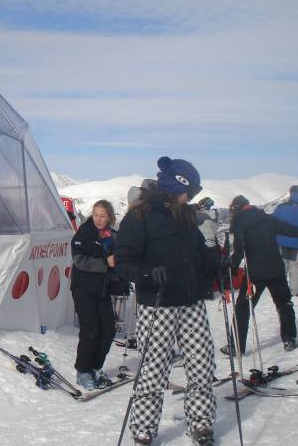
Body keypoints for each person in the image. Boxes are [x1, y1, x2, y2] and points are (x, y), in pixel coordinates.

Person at [115, 157, 223, 446]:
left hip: (192, 303)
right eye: (189, 191)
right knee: (153, 369)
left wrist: (216, 263)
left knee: (202, 364)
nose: (191, 198)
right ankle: (143, 430)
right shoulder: (139, 217)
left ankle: (201, 424)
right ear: (175, 186)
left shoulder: (185, 217)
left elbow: (199, 255)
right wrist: (148, 273)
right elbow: (122, 260)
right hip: (157, 304)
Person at [223, 195, 298, 354]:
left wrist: (231, 267)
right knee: (284, 305)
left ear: (236, 209)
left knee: (243, 308)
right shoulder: (267, 218)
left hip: (255, 274)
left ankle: (236, 346)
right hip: (276, 269)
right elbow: (291, 230)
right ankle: (289, 339)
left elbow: (239, 250)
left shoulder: (240, 223)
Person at [70, 200, 127, 390]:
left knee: (108, 329)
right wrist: (106, 263)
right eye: (96, 215)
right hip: (84, 287)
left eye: (103, 216)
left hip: (102, 288)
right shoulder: (84, 233)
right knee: (91, 329)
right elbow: (80, 261)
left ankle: (94, 367)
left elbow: (118, 261)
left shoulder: (113, 236)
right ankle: (82, 371)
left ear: (110, 216)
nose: (99, 219)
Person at [272, 185, 298, 296]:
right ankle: (294, 291)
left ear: (290, 193)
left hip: (281, 242)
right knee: (295, 268)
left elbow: (272, 224)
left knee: (282, 267)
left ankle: (281, 291)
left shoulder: (281, 208)